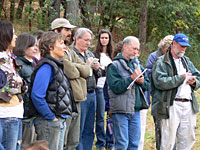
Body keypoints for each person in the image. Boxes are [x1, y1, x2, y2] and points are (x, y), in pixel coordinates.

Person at [28, 31, 77, 150]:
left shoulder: (56, 65)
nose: (65, 47)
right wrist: (51, 117)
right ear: (50, 47)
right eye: (61, 43)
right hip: (49, 122)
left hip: (58, 120)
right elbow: (37, 95)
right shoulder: (46, 67)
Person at [151, 33, 200, 150]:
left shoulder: (187, 61)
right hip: (171, 104)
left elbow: (198, 76)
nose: (184, 48)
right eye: (181, 45)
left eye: (185, 46)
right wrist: (181, 78)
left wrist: (194, 82)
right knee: (167, 141)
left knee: (188, 139)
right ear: (173, 44)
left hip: (188, 105)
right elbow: (159, 81)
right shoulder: (162, 61)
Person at [51, 18, 91, 150]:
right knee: (61, 140)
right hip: (64, 101)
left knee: (73, 141)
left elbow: (86, 70)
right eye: (66, 30)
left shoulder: (69, 51)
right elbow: (71, 72)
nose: (69, 33)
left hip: (77, 100)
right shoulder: (55, 51)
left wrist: (79, 67)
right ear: (56, 31)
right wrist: (79, 67)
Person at [106, 36, 150, 150]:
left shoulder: (138, 65)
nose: (136, 52)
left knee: (134, 143)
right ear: (124, 47)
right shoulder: (113, 66)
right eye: (133, 48)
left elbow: (147, 86)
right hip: (120, 110)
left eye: (137, 49)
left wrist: (141, 81)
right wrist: (131, 78)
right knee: (122, 144)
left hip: (135, 110)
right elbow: (115, 87)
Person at [142, 35, 174, 150]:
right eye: (168, 47)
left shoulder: (176, 57)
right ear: (163, 46)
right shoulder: (153, 56)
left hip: (174, 97)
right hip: (158, 96)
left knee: (173, 128)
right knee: (160, 128)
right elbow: (149, 74)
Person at [0, 20, 28, 150]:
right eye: (13, 33)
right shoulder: (1, 59)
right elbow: (10, 86)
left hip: (15, 111)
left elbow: (22, 86)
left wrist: (20, 84)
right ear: (5, 35)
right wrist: (19, 83)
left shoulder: (10, 58)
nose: (16, 37)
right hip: (5, 113)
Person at [73, 28, 101, 150]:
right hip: (80, 94)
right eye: (86, 40)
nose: (88, 43)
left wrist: (97, 68)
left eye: (90, 40)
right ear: (77, 38)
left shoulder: (90, 54)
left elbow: (99, 75)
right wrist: (86, 65)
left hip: (92, 93)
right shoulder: (71, 53)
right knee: (79, 127)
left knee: (89, 128)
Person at [13, 33, 38, 148]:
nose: (36, 48)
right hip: (24, 113)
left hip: (33, 112)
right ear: (24, 46)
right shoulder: (18, 64)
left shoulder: (33, 64)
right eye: (32, 46)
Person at [93, 29, 113, 150]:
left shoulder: (112, 55)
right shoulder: (95, 54)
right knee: (100, 116)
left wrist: (104, 70)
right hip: (99, 87)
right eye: (102, 38)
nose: (104, 40)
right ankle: (100, 142)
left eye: (106, 38)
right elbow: (97, 72)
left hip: (110, 88)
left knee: (110, 117)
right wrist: (104, 70)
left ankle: (109, 142)